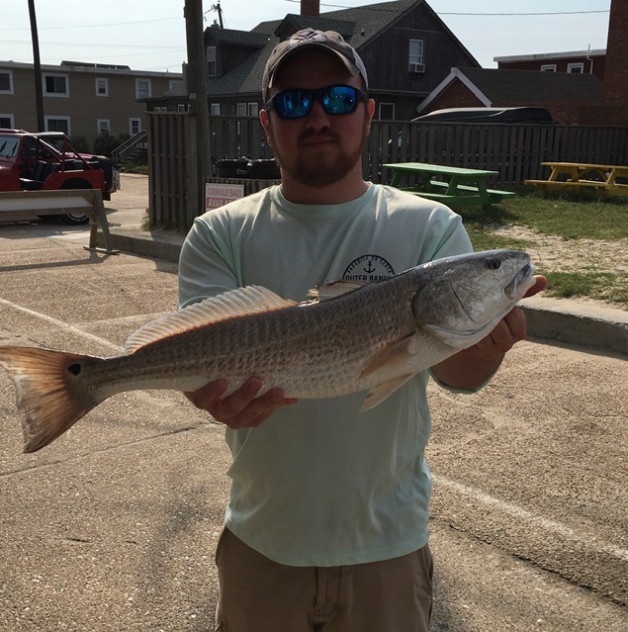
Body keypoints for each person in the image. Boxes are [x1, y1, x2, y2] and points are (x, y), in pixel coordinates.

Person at [178, 28, 547, 632]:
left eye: (339, 99)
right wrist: (209, 395)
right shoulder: (218, 234)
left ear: (369, 113)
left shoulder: (430, 226)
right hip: (262, 544)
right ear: (267, 122)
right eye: (295, 102)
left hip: (388, 549)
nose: (318, 115)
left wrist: (487, 347)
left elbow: (455, 375)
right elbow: (202, 358)